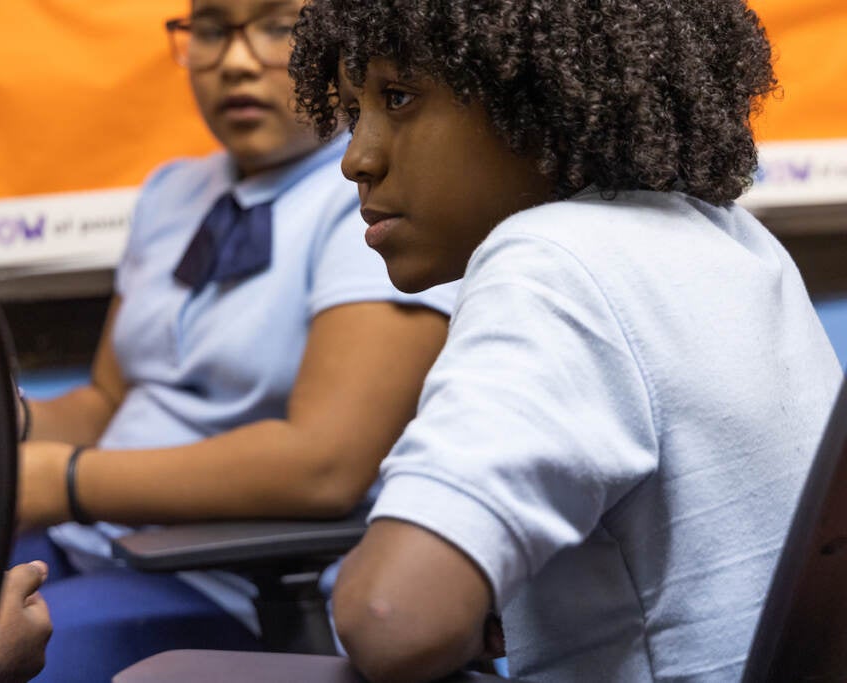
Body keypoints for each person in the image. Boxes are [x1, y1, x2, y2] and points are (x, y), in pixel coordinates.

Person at [287, 0, 843, 681]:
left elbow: (390, 619)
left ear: (535, 93)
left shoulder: (551, 264)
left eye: (398, 98)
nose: (357, 159)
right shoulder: (732, 239)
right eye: (352, 114)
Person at [11, 0, 456, 678]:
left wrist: (65, 481)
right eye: (214, 30)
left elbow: (324, 465)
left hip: (226, 582)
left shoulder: (374, 199)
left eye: (280, 27)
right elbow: (107, 403)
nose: (237, 62)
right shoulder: (172, 192)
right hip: (91, 538)